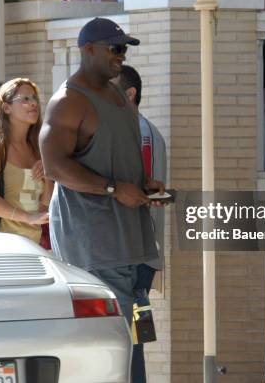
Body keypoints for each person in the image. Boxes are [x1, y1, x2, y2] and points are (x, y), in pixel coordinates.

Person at [39, 17, 164, 326]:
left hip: (136, 248)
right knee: (114, 340)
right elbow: (55, 166)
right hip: (97, 248)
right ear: (88, 49)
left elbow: (116, 156)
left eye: (124, 48)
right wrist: (113, 188)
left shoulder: (118, 94)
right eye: (115, 48)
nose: (121, 55)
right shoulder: (67, 101)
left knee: (138, 338)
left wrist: (144, 185)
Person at [113, 64, 167, 383]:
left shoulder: (139, 132)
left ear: (130, 94)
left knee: (130, 338)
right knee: (135, 336)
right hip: (138, 254)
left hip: (133, 255)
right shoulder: (141, 130)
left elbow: (140, 190)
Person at [0, 78, 51, 246]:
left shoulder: (38, 147)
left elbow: (45, 206)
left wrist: (49, 173)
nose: (33, 104)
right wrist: (28, 217)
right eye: (25, 99)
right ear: (6, 107)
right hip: (3, 245)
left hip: (36, 245)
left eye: (34, 98)